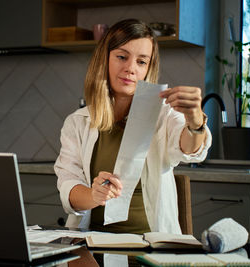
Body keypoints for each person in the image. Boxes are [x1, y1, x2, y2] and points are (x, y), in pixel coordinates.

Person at [54, 19, 212, 234]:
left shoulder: (164, 115)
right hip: (92, 246)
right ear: (104, 60)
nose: (130, 68)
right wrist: (93, 195)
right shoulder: (77, 122)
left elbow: (188, 150)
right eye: (122, 57)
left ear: (148, 68)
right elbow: (68, 187)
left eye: (141, 62)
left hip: (151, 248)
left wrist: (194, 121)